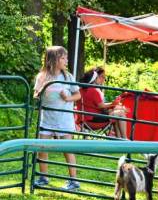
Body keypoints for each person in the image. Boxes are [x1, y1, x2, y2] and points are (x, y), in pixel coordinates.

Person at [32, 46, 81, 191]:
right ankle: (43, 177)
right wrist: (40, 91)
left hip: (64, 120)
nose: (66, 60)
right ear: (54, 59)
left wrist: (67, 98)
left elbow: (78, 95)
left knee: (67, 149)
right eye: (63, 58)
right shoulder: (42, 76)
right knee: (42, 148)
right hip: (47, 119)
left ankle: (73, 180)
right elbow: (35, 95)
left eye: (66, 57)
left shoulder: (68, 77)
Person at [78, 67, 128, 139]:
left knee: (116, 112)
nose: (102, 79)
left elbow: (96, 105)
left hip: (84, 120)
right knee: (121, 113)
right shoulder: (93, 90)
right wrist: (113, 103)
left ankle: (119, 139)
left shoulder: (81, 89)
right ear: (95, 78)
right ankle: (124, 138)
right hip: (93, 120)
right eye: (99, 77)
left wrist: (113, 104)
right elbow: (101, 106)